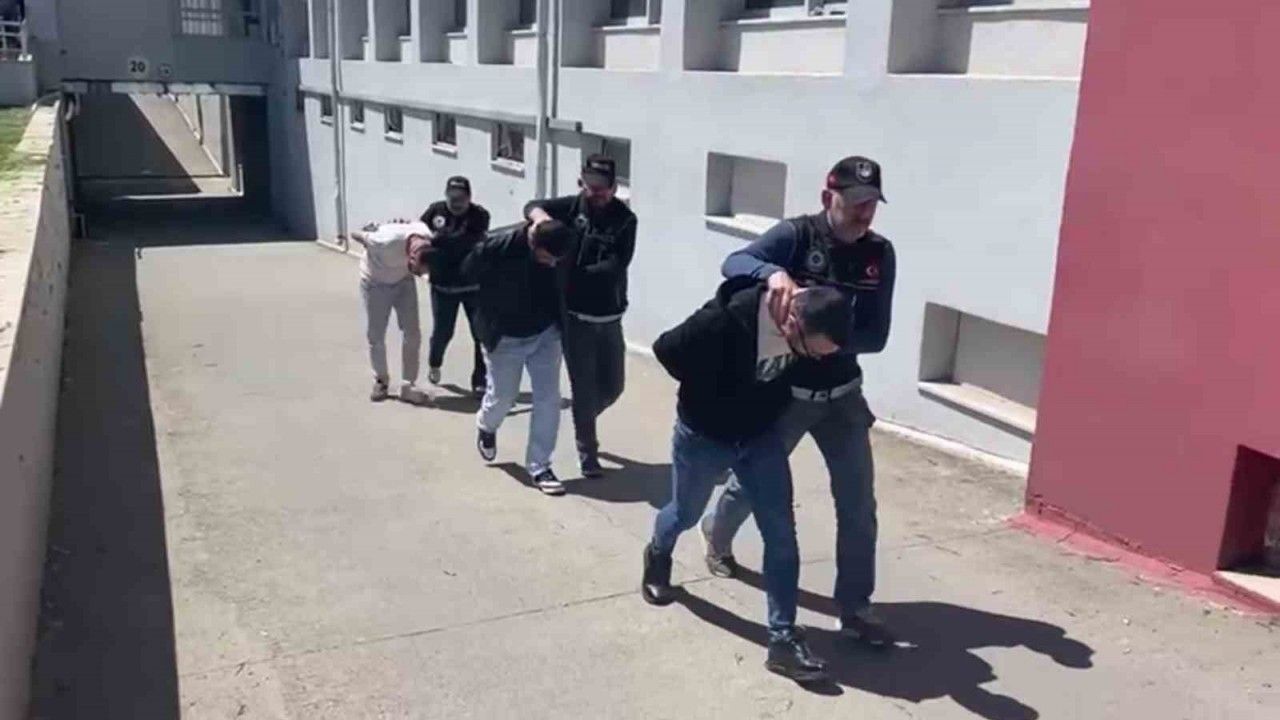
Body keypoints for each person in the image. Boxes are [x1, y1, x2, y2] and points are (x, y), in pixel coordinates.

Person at [701, 156, 898, 648]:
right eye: (855, 202)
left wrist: (823, 338)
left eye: (872, 203)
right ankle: (716, 535)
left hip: (844, 398)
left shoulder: (879, 254)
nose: (864, 212)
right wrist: (772, 275)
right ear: (829, 197)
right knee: (750, 487)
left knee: (858, 506)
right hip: (786, 396)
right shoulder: (796, 236)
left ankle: (856, 607)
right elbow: (734, 263)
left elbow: (876, 335)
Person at [642, 276, 852, 682]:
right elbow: (666, 350)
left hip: (761, 437)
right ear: (792, 323)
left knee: (781, 533)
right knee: (685, 513)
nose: (816, 360)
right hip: (703, 435)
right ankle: (657, 553)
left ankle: (783, 640)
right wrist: (712, 391)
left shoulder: (811, 325)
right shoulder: (724, 321)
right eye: (813, 351)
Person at [523, 155, 637, 478]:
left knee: (613, 387)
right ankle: (587, 450)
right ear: (581, 182)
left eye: (604, 187)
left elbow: (617, 264)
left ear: (614, 188)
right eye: (592, 186)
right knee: (583, 386)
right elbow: (531, 205)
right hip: (575, 317)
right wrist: (540, 220)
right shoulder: (571, 208)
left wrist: (570, 271)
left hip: (610, 316)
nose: (597, 192)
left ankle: (583, 416)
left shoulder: (625, 220)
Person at [463, 219, 576, 496]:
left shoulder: (559, 244)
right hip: (505, 337)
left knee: (548, 398)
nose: (552, 264)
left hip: (546, 333)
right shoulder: (496, 246)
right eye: (547, 258)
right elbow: (466, 271)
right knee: (503, 397)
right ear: (533, 243)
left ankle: (540, 466)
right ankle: (486, 425)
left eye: (556, 260)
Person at [419, 176, 491, 396]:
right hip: (443, 286)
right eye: (452, 198)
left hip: (473, 286)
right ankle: (435, 362)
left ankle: (480, 380)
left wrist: (437, 242)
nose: (456, 203)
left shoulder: (479, 215)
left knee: (480, 334)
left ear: (469, 197)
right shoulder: (435, 211)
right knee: (443, 332)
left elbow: (464, 241)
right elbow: (419, 233)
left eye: (460, 198)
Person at [349, 220, 432, 406]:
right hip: (375, 282)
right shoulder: (383, 241)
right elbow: (355, 234)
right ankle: (381, 380)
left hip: (404, 282)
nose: (421, 273)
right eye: (418, 269)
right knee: (376, 333)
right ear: (410, 256)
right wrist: (367, 232)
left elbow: (415, 223)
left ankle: (408, 385)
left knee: (412, 332)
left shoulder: (426, 235)